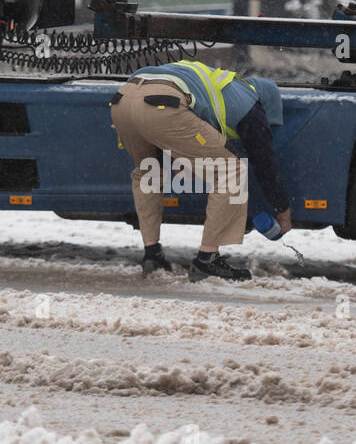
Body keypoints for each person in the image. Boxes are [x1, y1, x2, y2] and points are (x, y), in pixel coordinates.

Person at [109, 60, 292, 282]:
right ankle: (208, 260)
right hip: (163, 104)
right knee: (230, 169)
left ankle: (152, 255)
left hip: (123, 99)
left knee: (149, 170)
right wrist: (282, 207)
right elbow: (263, 161)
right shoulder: (251, 106)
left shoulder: (226, 85)